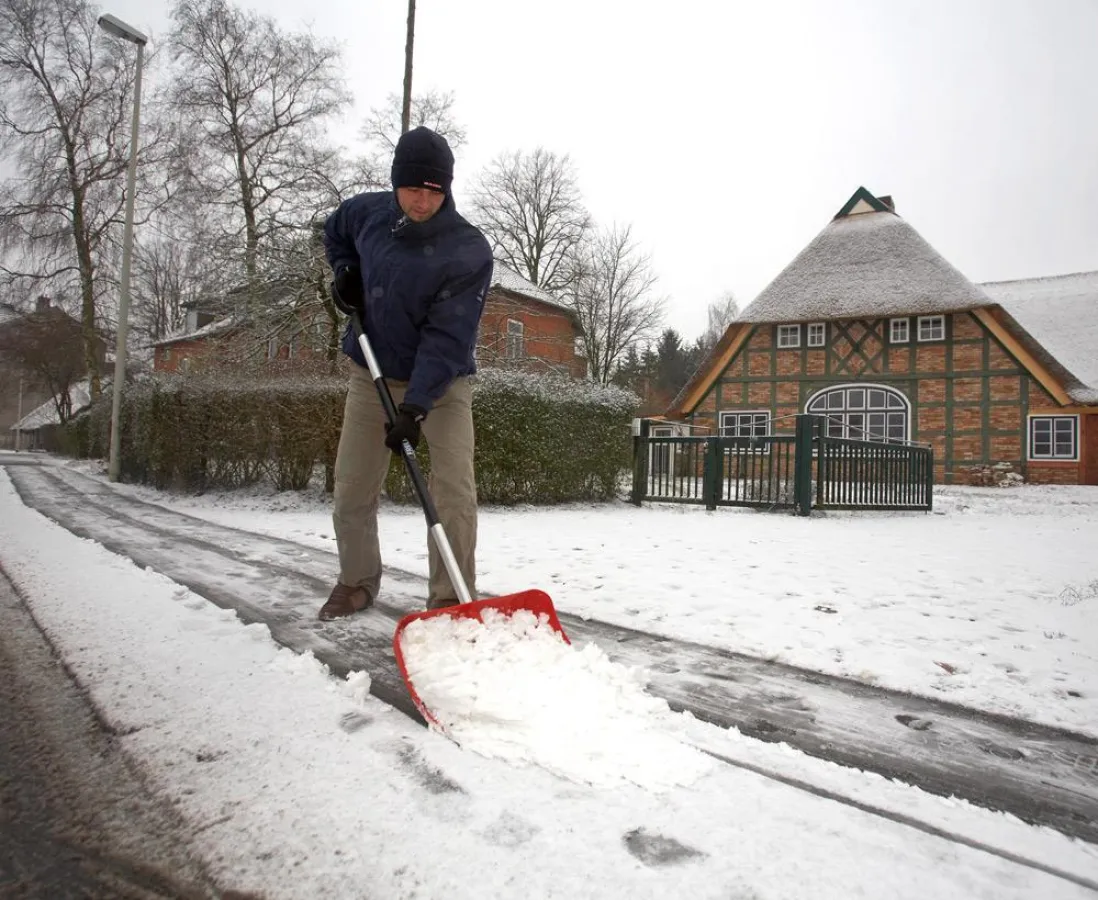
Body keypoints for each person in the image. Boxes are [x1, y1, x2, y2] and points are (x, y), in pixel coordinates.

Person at [318, 126, 493, 621]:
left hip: (442, 385)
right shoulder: (367, 213)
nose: (422, 201)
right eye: (413, 188)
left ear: (448, 188)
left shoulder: (467, 250)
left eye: (433, 191)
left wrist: (415, 407)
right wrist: (344, 271)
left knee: (454, 491)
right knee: (352, 485)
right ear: (395, 183)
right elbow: (334, 234)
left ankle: (450, 600)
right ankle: (355, 582)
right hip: (368, 371)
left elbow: (448, 337)